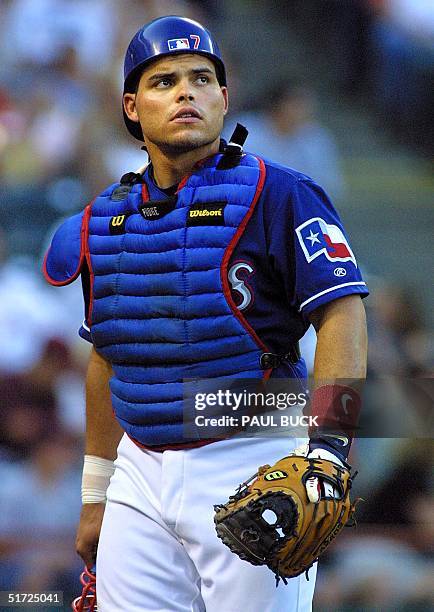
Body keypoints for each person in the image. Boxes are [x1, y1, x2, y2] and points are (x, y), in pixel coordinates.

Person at [43, 15, 368, 612]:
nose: (186, 91)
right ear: (132, 107)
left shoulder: (281, 193)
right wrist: (96, 494)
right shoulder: (102, 222)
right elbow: (107, 357)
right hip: (139, 469)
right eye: (164, 81)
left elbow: (342, 315)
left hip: (253, 459)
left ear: (224, 97)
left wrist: (327, 450)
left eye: (201, 78)